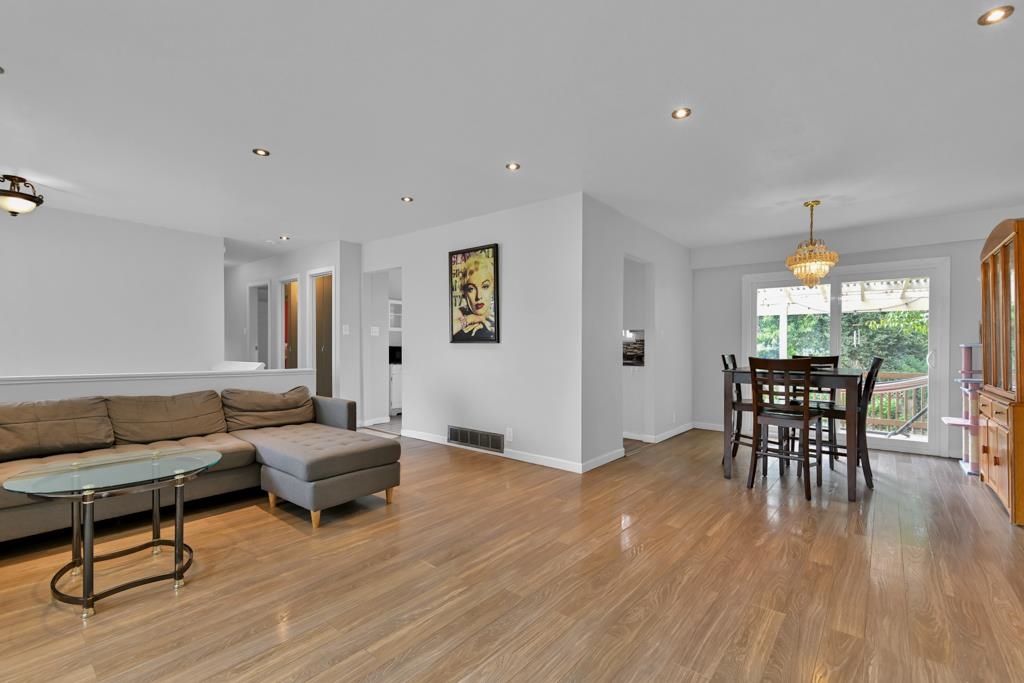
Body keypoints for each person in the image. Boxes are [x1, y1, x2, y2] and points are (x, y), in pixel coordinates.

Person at [452, 251, 496, 341]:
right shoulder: (461, 312)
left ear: (493, 288)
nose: (478, 296)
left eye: (485, 286)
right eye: (471, 289)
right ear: (465, 293)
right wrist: (471, 319)